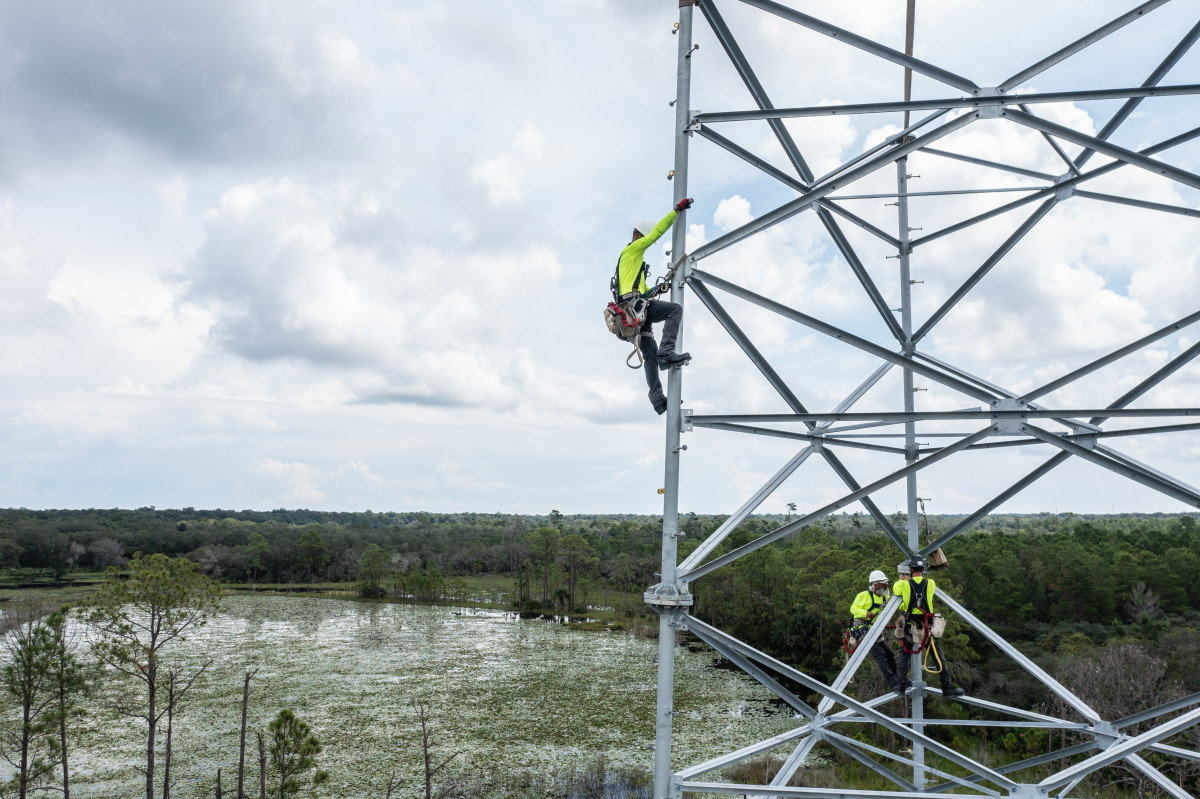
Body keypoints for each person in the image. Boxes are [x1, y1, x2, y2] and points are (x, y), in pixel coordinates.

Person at [616, 198, 694, 415]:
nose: (646, 242)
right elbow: (656, 233)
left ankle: (658, 400)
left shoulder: (632, 262)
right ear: (637, 236)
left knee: (649, 353)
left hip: (634, 311)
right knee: (674, 310)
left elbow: (639, 290)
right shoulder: (632, 250)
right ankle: (666, 351)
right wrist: (676, 210)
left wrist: (655, 290)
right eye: (644, 238)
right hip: (635, 309)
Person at [892, 556, 964, 698]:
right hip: (927, 628)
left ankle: (900, 686)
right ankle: (946, 687)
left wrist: (903, 579)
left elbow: (896, 589)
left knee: (904, 655)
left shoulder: (904, 585)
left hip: (910, 626)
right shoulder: (930, 583)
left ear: (910, 569)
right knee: (938, 657)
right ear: (923, 569)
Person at [849, 569, 898, 690]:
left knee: (889, 654)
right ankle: (893, 683)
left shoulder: (884, 598)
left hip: (874, 630)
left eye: (886, 583)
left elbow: (895, 604)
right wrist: (865, 613)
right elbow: (853, 609)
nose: (885, 586)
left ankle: (899, 679)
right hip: (861, 629)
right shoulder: (863, 596)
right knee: (879, 654)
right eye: (883, 584)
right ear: (875, 585)